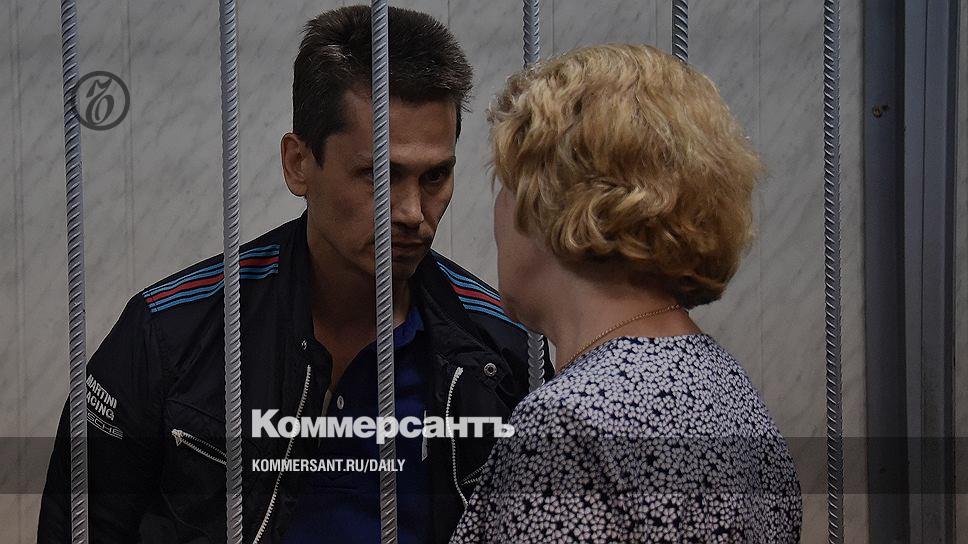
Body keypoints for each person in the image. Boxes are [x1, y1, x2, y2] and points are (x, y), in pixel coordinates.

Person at [38, 6, 549, 543]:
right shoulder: (170, 335)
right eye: (378, 175)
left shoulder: (503, 350)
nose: (412, 212)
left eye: (435, 176)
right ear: (298, 164)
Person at [449, 44, 802, 543]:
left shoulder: (569, 425)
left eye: (506, 185)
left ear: (549, 203)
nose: (498, 212)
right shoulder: (727, 387)